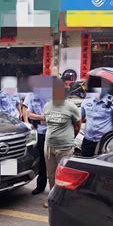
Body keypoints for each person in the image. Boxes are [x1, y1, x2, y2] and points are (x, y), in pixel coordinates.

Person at [43, 78, 81, 208]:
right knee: (51, 175)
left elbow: (78, 125)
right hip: (49, 147)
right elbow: (48, 124)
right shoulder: (47, 106)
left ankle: (64, 199)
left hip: (65, 147)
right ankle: (53, 197)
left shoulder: (71, 107)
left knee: (64, 176)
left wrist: (70, 138)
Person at [23, 85, 51, 195]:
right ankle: (40, 185)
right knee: (42, 161)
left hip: (52, 132)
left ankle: (57, 189)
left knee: (54, 162)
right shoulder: (31, 96)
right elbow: (29, 114)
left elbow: (55, 114)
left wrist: (40, 117)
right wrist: (43, 117)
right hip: (39, 133)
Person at [80, 87, 113, 157]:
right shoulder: (87, 100)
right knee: (85, 164)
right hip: (88, 140)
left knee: (101, 165)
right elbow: (81, 119)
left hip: (104, 142)